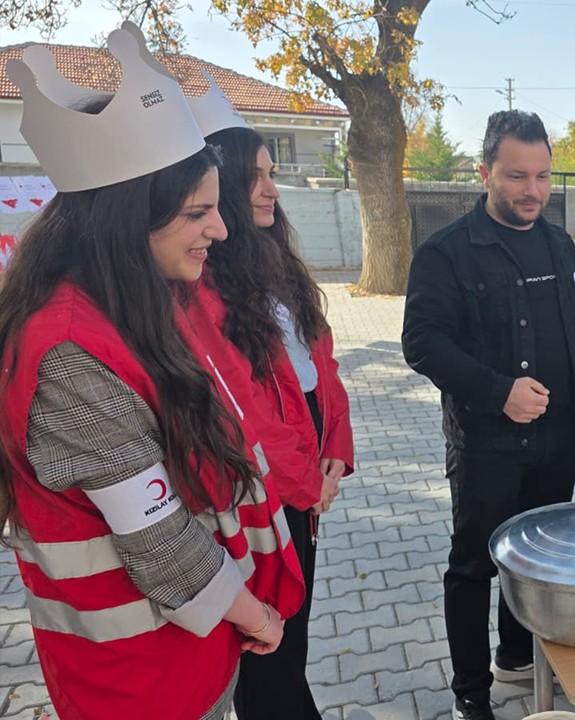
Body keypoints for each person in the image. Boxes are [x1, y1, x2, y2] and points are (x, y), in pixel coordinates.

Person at [0, 28, 304, 719]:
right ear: (126, 222)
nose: (220, 231)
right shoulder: (69, 355)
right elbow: (161, 541)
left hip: (182, 662)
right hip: (136, 685)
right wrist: (256, 617)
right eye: (198, 213)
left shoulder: (130, 308)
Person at [402, 110, 575, 720]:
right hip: (486, 442)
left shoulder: (558, 241)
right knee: (474, 566)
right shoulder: (445, 253)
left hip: (556, 440)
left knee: (539, 559)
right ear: (484, 171)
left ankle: (516, 657)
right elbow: (423, 344)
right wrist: (498, 391)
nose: (533, 191)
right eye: (517, 176)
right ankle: (472, 695)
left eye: (543, 176)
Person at [197, 98, 354, 718]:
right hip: (266, 492)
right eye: (257, 177)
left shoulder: (278, 262)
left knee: (295, 628)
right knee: (270, 646)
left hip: (306, 483)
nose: (272, 189)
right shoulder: (204, 286)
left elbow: (322, 368)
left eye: (272, 173)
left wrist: (335, 453)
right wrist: (303, 482)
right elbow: (245, 410)